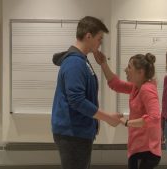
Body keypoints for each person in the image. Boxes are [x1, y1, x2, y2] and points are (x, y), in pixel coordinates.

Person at [51, 16, 122, 169]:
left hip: (78, 132)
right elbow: (77, 100)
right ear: (88, 36)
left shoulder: (81, 60)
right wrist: (108, 118)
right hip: (72, 133)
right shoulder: (75, 63)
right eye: (99, 38)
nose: (100, 43)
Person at [94, 51, 162, 169]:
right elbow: (116, 84)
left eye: (129, 67)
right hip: (138, 147)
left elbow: (154, 118)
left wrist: (126, 122)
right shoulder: (137, 86)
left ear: (140, 72)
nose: (125, 70)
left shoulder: (147, 89)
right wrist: (103, 63)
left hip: (146, 150)